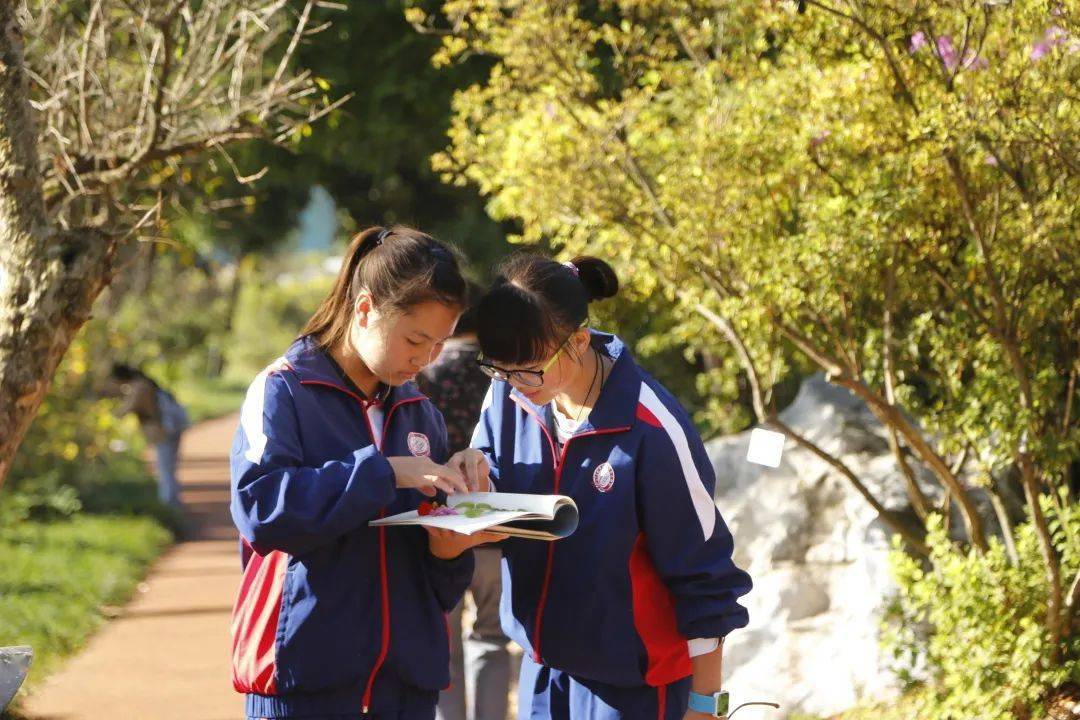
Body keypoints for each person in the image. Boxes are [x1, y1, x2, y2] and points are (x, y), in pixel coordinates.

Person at [229, 226, 501, 720]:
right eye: (415, 339)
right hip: (303, 681)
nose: (425, 358)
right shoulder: (282, 391)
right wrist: (382, 473)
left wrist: (452, 542)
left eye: (439, 344)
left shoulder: (422, 413)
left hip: (406, 688)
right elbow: (260, 512)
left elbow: (439, 587)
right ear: (364, 309)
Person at [470, 254, 753, 720]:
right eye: (500, 370)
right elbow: (490, 466)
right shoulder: (512, 389)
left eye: (529, 370)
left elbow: (705, 577)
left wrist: (706, 706)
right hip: (544, 671)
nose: (515, 385)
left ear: (579, 341)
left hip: (635, 688)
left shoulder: (651, 427)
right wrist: (472, 477)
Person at [418, 290, 511, 720]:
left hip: (443, 532)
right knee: (491, 638)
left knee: (444, 646)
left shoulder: (423, 373)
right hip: (495, 531)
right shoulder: (503, 377)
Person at [107, 363, 190, 507]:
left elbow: (125, 409)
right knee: (169, 467)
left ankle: (169, 505)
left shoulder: (139, 388)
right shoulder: (144, 384)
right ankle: (173, 503)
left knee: (165, 469)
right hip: (170, 428)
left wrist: (106, 414)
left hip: (164, 430)